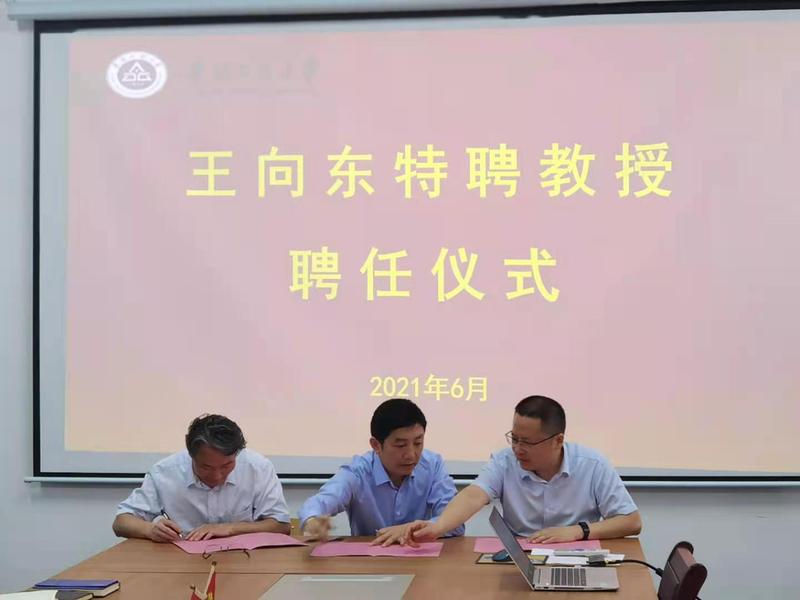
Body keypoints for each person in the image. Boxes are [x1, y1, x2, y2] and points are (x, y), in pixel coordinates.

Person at [404, 395, 642, 545]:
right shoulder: (505, 461)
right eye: (514, 438)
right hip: (519, 559)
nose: (518, 449)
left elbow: (631, 521)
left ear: (558, 440)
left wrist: (577, 532)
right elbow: (474, 495)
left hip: (576, 556)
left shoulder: (592, 465)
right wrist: (438, 527)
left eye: (527, 442)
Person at [298, 398, 464, 546]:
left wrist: (410, 530)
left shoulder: (433, 465)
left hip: (422, 560)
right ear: (376, 445)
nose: (411, 454)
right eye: (400, 445)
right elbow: (320, 502)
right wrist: (313, 521)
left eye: (418, 443)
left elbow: (455, 524)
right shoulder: (358, 472)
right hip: (370, 562)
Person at [112, 414, 290, 542]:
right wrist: (150, 529)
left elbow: (281, 525)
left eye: (226, 466)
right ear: (191, 454)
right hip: (181, 563)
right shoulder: (165, 472)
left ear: (237, 453)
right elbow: (121, 522)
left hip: (245, 562)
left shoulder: (258, 468)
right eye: (206, 467)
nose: (217, 476)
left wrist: (229, 528)